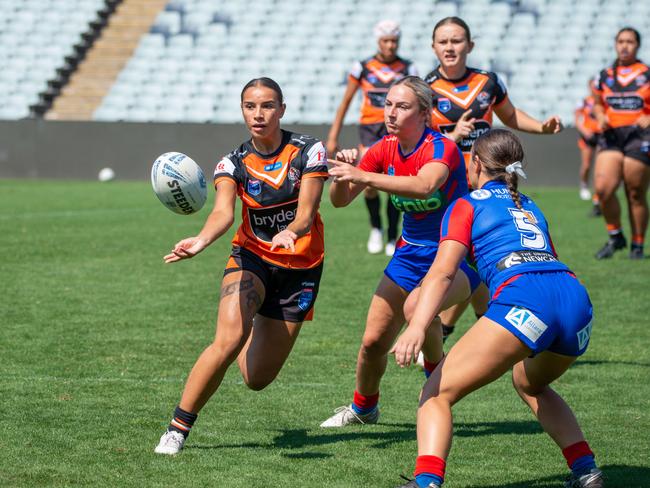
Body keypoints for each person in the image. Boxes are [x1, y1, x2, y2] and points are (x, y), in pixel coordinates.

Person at [392, 129, 603, 488]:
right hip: (574, 300)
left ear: (475, 163)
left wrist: (416, 326)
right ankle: (586, 470)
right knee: (530, 383)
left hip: (528, 299)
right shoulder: (530, 203)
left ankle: (426, 482)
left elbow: (443, 272)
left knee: (436, 394)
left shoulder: (466, 204)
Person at [154, 78, 329, 455]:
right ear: (242, 110)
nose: (258, 114)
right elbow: (222, 212)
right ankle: (177, 428)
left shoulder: (308, 151)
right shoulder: (231, 163)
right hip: (251, 258)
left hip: (301, 268)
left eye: (267, 106)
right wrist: (200, 240)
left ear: (282, 109)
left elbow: (307, 213)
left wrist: (291, 232)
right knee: (227, 340)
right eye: (250, 106)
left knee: (256, 378)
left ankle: (247, 322)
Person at [320, 76, 480, 428]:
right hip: (409, 255)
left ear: (425, 112)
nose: (390, 112)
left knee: (417, 307)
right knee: (373, 341)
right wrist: (343, 177)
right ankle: (364, 409)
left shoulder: (442, 148)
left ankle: (436, 387)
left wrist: (363, 176)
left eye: (402, 106)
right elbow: (341, 202)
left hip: (455, 255)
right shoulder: (383, 148)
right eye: (388, 104)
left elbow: (424, 186)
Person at [425, 16, 563, 343]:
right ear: (433, 47)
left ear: (469, 46)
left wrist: (541, 127)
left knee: (483, 260)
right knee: (462, 262)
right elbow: (422, 141)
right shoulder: (425, 88)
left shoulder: (488, 82)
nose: (450, 47)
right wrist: (452, 137)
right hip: (451, 187)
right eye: (443, 41)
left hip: (492, 187)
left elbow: (510, 116)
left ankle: (474, 328)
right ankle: (482, 325)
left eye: (456, 40)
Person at [327, 19, 418, 256]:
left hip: (397, 127)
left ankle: (392, 235)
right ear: (378, 41)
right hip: (369, 128)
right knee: (367, 181)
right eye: (386, 41)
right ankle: (376, 227)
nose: (390, 46)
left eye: (394, 41)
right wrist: (333, 135)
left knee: (394, 182)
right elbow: (346, 101)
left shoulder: (408, 68)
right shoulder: (363, 67)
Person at [592, 27, 650, 260]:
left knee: (635, 192)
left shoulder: (646, 73)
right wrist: (599, 114)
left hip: (640, 136)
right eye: (621, 41)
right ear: (615, 44)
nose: (625, 46)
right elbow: (596, 103)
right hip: (612, 136)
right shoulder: (605, 75)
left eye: (630, 41)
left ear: (637, 45)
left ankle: (637, 245)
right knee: (604, 189)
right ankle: (616, 236)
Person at [574, 82, 602, 216]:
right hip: (587, 135)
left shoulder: (602, 101)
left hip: (601, 135)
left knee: (599, 168)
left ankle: (597, 197)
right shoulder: (584, 101)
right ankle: (584, 185)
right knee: (586, 165)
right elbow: (577, 119)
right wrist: (585, 131)